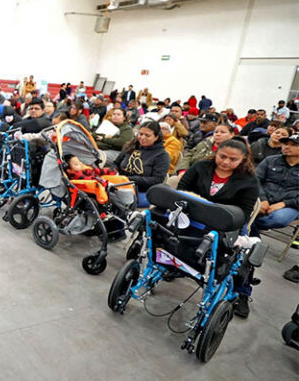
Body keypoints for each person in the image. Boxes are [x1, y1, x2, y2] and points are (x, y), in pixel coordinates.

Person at [177, 138, 259, 318]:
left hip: (227, 222)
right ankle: (176, 264)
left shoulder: (249, 181)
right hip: (194, 215)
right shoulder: (201, 167)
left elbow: (244, 214)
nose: (226, 162)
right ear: (216, 152)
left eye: (233, 159)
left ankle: (242, 292)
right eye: (222, 156)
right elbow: (182, 190)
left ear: (243, 160)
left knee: (244, 253)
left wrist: (218, 217)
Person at [252, 134, 299, 236]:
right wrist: (262, 199)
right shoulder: (270, 160)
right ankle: (253, 236)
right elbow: (255, 180)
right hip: (262, 199)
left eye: (294, 145)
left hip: (291, 205)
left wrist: (284, 203)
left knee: (279, 219)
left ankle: (251, 229)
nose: (287, 147)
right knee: (245, 209)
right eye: (285, 143)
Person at [115, 120, 170, 207]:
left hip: (142, 191)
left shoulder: (162, 155)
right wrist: (112, 172)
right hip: (119, 185)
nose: (142, 137)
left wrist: (128, 179)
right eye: (140, 134)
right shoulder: (131, 146)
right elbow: (116, 163)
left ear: (156, 137)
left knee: (116, 201)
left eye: (147, 135)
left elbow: (157, 180)